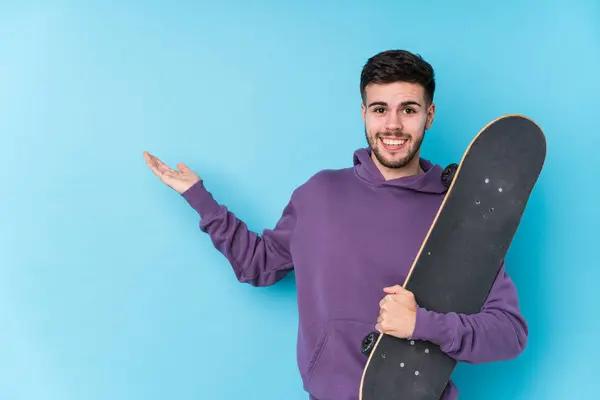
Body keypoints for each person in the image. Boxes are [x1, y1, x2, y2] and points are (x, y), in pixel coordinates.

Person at [143, 49, 528, 400]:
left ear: (429, 115)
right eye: (380, 110)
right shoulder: (319, 195)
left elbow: (509, 334)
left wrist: (422, 324)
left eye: (408, 110)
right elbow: (258, 266)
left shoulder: (455, 214)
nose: (392, 126)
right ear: (363, 113)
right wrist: (198, 196)